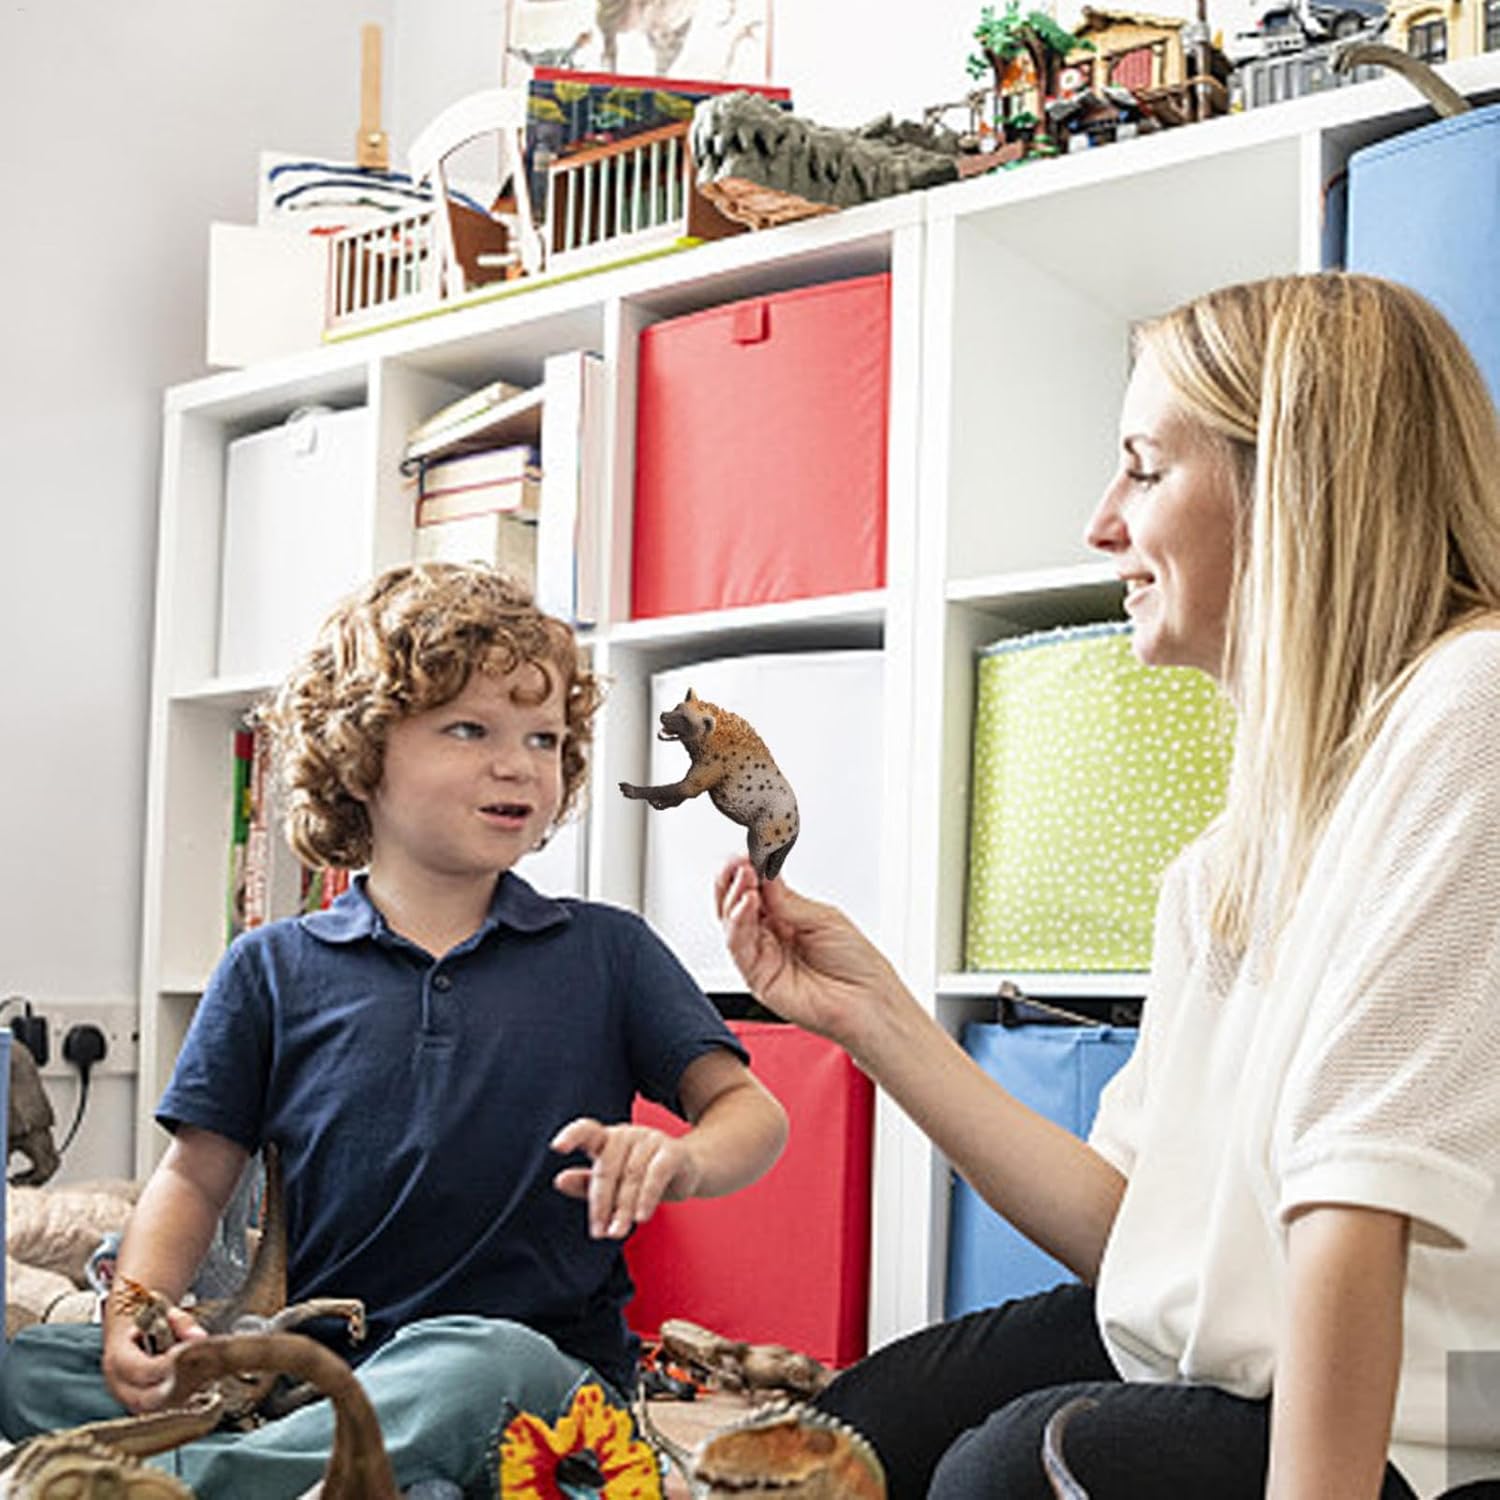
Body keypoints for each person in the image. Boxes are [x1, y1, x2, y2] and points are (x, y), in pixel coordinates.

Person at [716, 272, 1500, 1500]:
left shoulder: (1471, 706)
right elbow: (1135, 1230)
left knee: (1003, 1475)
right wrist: (871, 1020)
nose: (1100, 524)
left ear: (1292, 485)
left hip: (1419, 1436)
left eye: (1144, 470)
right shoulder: (1231, 857)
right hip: (1250, 1367)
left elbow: (1362, 1204)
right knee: (836, 1445)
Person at [0, 561, 788, 1498]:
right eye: (470, 729)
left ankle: (202, 1479)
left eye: (543, 738)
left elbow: (751, 1113)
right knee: (29, 1365)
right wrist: (136, 1312)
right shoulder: (269, 968)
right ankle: (327, 1469)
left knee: (478, 1361)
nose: (517, 763)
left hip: (533, 1379)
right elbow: (192, 1178)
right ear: (360, 755)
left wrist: (682, 1161)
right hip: (311, 1373)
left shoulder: (608, 952)